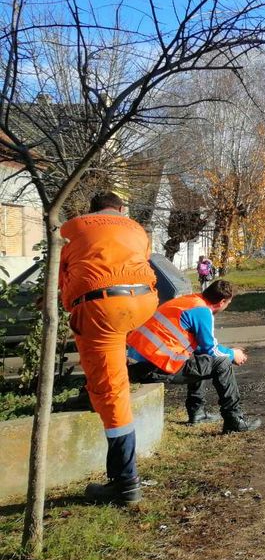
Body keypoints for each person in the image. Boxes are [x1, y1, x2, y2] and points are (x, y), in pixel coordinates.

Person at [59, 191, 159, 505]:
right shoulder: (136, 230)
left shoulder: (74, 230)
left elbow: (63, 280)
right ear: (120, 209)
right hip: (143, 300)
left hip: (102, 306)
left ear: (91, 210)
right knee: (113, 370)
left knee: (110, 390)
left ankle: (125, 482)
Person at [127, 279, 261, 435]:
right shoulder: (203, 311)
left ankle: (197, 413)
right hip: (155, 366)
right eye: (228, 303)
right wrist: (233, 354)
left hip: (138, 361)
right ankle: (234, 420)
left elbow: (202, 348)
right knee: (222, 362)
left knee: (201, 357)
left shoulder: (188, 301)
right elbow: (211, 349)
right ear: (222, 302)